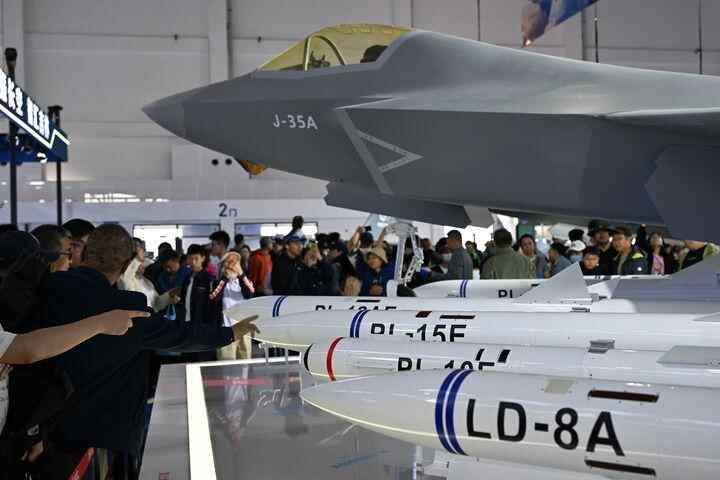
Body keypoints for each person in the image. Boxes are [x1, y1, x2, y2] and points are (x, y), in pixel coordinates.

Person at [35, 225, 259, 477]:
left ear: (85, 252)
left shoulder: (48, 288)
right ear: (125, 265)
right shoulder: (127, 307)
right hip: (107, 433)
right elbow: (180, 334)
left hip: (47, 429)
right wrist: (230, 333)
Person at [214, 251, 255, 361]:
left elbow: (250, 292)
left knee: (245, 363)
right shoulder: (219, 283)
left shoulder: (244, 281)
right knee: (226, 363)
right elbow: (214, 297)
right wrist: (225, 278)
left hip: (244, 328)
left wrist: (241, 273)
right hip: (226, 330)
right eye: (229, 262)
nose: (232, 265)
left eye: (235, 262)